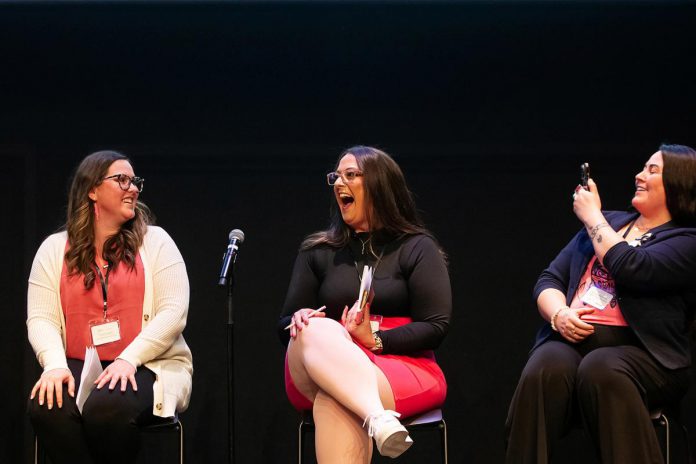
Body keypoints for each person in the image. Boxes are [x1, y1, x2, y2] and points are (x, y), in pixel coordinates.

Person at [505, 144, 696, 463]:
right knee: (545, 365)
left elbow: (633, 267)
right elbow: (549, 279)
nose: (639, 175)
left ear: (680, 182)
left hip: (647, 358)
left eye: (652, 170)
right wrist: (559, 314)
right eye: (642, 167)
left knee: (602, 367)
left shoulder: (686, 239)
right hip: (574, 342)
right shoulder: (611, 222)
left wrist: (592, 216)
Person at [278, 146, 451, 462]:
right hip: (317, 364)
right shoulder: (317, 251)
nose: (338, 183)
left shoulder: (417, 248)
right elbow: (284, 323)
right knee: (314, 326)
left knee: (335, 398)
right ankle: (377, 417)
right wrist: (300, 318)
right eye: (336, 176)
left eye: (351, 175)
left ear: (380, 186)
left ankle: (371, 413)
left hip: (402, 366)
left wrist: (376, 341)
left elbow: (436, 326)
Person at [27, 150, 193, 464]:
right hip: (77, 364)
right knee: (47, 406)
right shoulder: (52, 250)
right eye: (121, 180)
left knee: (107, 408)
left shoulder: (156, 242)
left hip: (146, 365)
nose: (132, 188)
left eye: (135, 182)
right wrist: (54, 365)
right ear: (91, 190)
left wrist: (129, 359)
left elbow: (174, 312)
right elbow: (40, 318)